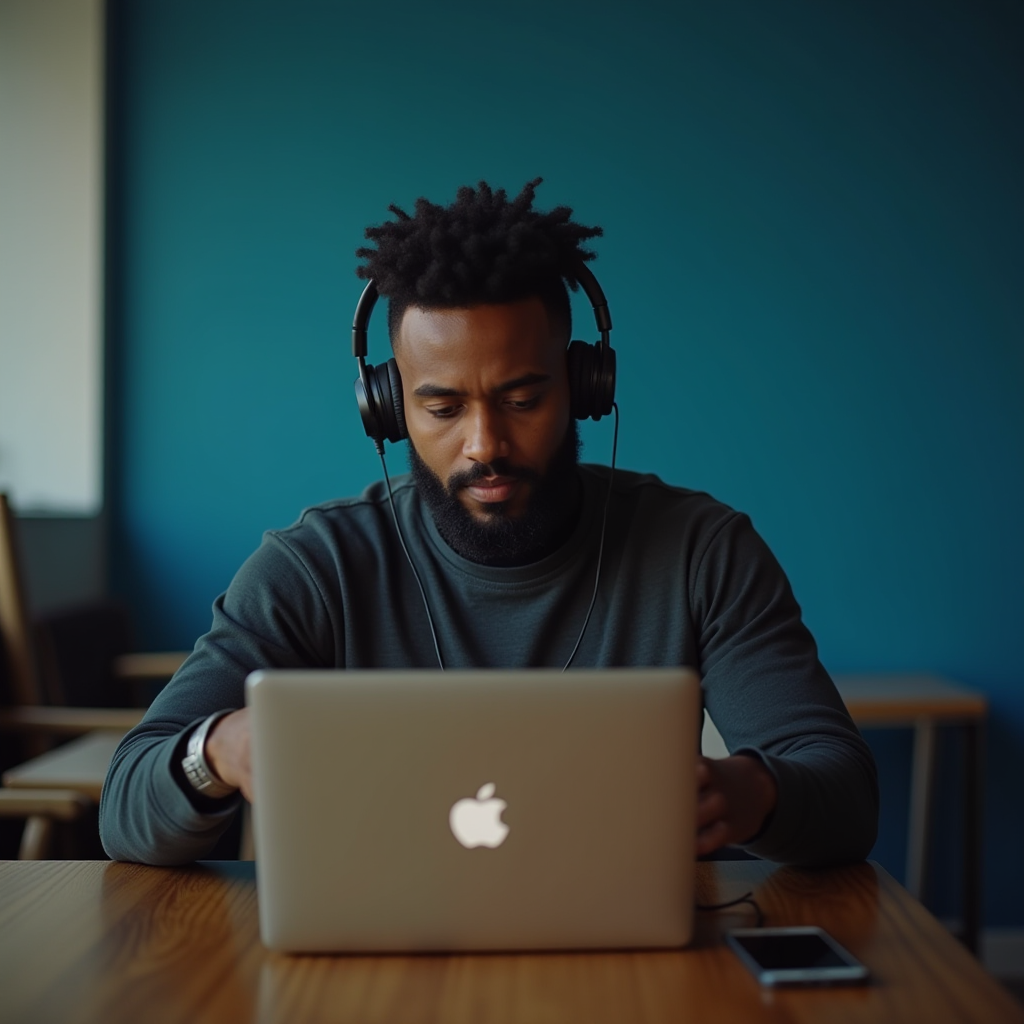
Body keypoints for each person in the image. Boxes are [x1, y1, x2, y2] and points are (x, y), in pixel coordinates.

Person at [99, 179, 878, 867]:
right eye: (442, 407)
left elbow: (843, 791)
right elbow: (125, 807)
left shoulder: (702, 551)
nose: (485, 445)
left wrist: (755, 790)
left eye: (521, 399)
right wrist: (217, 751)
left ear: (583, 386)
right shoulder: (315, 566)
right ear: (389, 406)